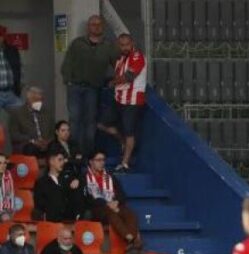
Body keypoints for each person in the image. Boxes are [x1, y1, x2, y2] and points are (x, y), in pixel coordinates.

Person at [61, 15, 118, 155]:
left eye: (99, 24)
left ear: (103, 27)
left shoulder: (109, 46)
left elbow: (119, 65)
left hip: (93, 88)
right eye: (93, 24)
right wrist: (67, 79)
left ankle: (88, 153)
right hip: (75, 86)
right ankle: (73, 152)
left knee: (90, 120)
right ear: (88, 27)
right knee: (74, 119)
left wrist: (116, 80)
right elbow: (67, 62)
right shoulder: (77, 43)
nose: (96, 26)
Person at [98, 34, 146, 172]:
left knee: (129, 132)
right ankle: (122, 141)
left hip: (132, 100)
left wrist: (112, 82)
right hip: (118, 99)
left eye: (127, 44)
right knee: (101, 124)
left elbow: (128, 77)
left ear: (132, 43)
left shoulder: (137, 56)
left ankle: (125, 163)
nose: (124, 47)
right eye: (122, 45)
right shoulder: (121, 59)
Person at [84, 150, 141, 247]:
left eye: (103, 160)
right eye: (98, 160)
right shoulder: (85, 178)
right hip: (98, 209)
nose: (102, 163)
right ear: (91, 162)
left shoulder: (110, 177)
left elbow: (122, 194)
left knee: (130, 214)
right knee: (112, 214)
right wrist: (106, 204)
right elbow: (87, 199)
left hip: (115, 205)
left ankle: (129, 240)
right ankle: (130, 239)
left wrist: (116, 202)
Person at [7, 86, 53, 157]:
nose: (39, 103)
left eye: (41, 100)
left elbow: (52, 132)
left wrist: (47, 141)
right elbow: (14, 135)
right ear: (28, 100)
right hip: (29, 144)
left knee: (56, 148)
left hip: (46, 143)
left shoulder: (46, 113)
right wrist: (33, 141)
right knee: (30, 149)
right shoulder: (17, 114)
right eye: (36, 100)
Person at [0, 35, 23, 109]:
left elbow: (18, 69)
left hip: (11, 92)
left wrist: (19, 86)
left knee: (21, 115)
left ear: (2, 38)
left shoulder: (12, 50)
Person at [0, 154, 17, 222]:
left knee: (6, 218)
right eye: (0, 163)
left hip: (5, 211)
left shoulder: (8, 176)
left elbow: (11, 195)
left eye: (5, 163)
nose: (3, 165)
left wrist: (10, 210)